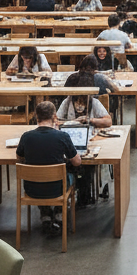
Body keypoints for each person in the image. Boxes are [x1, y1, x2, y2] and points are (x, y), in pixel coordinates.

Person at [16, 100, 82, 235]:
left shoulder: (26, 137)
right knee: (71, 174)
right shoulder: (62, 136)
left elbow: (19, 157)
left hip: (31, 189)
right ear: (54, 117)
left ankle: (45, 215)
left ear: (36, 116)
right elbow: (77, 162)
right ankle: (59, 213)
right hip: (57, 189)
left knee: (40, 176)